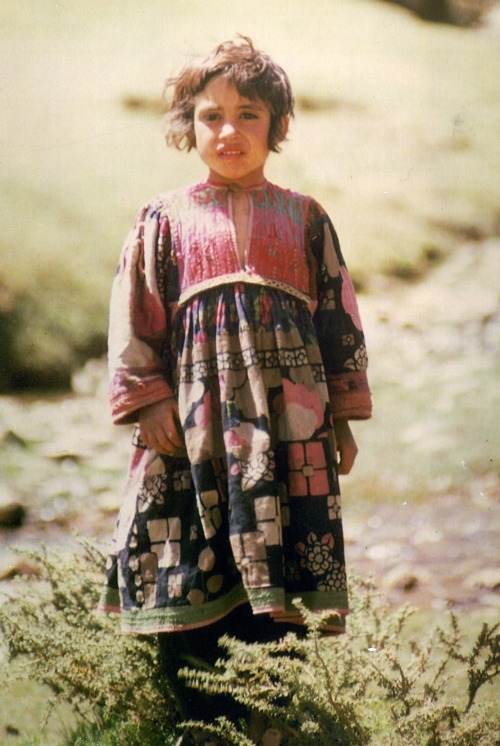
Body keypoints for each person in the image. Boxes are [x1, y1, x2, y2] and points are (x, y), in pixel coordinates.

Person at [99, 37, 372, 745]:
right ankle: (201, 721)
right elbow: (136, 314)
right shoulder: (163, 218)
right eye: (209, 115)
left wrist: (340, 415)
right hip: (191, 428)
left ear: (277, 127)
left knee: (281, 558)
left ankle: (272, 715)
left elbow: (339, 316)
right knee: (192, 550)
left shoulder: (306, 217)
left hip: (290, 432)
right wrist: (151, 399)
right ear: (187, 126)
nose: (227, 131)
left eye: (247, 115)